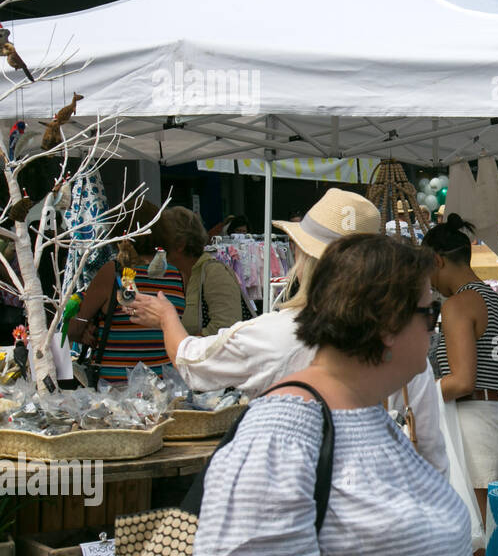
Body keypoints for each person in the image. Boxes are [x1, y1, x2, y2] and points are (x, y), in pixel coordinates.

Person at [189, 234, 477, 556]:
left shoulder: (364, 410)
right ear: (387, 326)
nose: (434, 328)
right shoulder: (283, 428)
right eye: (429, 313)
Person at [127, 190, 448, 471]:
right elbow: (431, 451)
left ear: (299, 254)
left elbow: (193, 363)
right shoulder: (403, 346)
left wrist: (167, 317)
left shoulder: (273, 334)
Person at [423, 213, 498, 556]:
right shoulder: (496, 300)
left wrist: (417, 393)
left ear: (438, 260)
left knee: (478, 551)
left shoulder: (458, 305)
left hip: (474, 429)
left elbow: (460, 380)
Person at [71, 206, 186, 383]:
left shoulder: (114, 272)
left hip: (115, 389)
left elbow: (75, 328)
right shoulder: (177, 275)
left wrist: (84, 328)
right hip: (165, 385)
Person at [158, 207, 244, 335]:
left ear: (180, 244)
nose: (158, 248)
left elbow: (226, 329)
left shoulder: (214, 273)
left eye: (161, 243)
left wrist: (183, 343)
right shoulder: (177, 274)